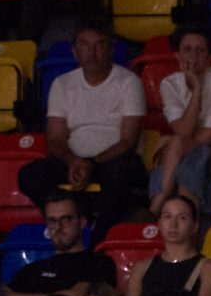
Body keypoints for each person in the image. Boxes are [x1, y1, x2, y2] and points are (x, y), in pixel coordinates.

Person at [18, 27, 148, 240]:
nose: (92, 52)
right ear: (75, 52)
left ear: (111, 50)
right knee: (30, 174)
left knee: (121, 173)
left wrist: (92, 163)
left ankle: (100, 237)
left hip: (113, 160)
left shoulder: (129, 82)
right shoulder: (62, 84)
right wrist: (74, 161)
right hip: (74, 160)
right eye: (84, 45)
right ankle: (73, 218)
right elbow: (55, 138)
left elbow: (128, 142)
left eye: (99, 45)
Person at [150, 23, 211, 219]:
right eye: (187, 49)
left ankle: (164, 211)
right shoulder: (169, 84)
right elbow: (184, 132)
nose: (193, 55)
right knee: (176, 159)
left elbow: (206, 139)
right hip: (185, 152)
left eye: (200, 50)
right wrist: (196, 94)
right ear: (177, 55)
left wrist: (174, 144)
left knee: (194, 156)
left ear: (210, 57)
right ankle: (178, 216)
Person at [7, 192, 117, 296]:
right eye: (52, 221)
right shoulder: (32, 269)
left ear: (82, 222)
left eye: (66, 219)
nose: (58, 227)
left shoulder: (99, 263)